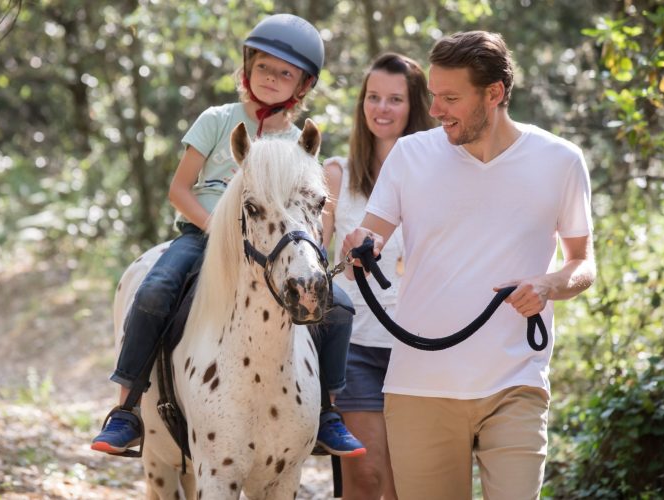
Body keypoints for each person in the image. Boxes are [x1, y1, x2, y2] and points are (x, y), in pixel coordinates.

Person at [92, 13, 365, 459]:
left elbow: (302, 209)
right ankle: (126, 409)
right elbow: (179, 190)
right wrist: (215, 228)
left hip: (267, 247)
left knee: (339, 306)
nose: (272, 78)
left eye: (285, 73)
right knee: (155, 291)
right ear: (246, 68)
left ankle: (327, 414)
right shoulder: (218, 120)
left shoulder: (298, 143)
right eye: (264, 67)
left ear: (302, 86)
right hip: (202, 236)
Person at [341, 31, 596, 499]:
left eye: (450, 98)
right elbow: (372, 232)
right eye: (434, 96)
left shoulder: (560, 161)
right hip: (420, 387)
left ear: (494, 94)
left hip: (515, 383)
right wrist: (360, 244)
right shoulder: (411, 154)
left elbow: (582, 261)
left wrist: (548, 284)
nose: (435, 110)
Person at [322, 52, 433, 499]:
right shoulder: (336, 174)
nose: (381, 109)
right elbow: (313, 258)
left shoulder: (436, 176)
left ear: (415, 107)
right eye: (373, 98)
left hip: (421, 349)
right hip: (356, 346)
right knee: (367, 477)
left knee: (404, 483)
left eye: (394, 99)